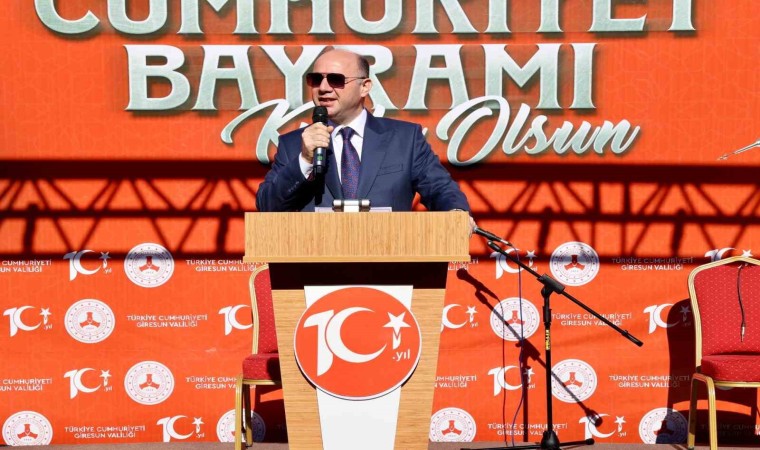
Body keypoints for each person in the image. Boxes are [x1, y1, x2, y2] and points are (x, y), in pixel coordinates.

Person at [256, 48, 475, 230]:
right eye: (316, 79)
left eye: (335, 80)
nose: (323, 88)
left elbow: (439, 188)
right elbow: (267, 207)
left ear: (365, 86)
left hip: (390, 261)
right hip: (316, 263)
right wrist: (304, 160)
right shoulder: (294, 145)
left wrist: (455, 214)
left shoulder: (405, 139)